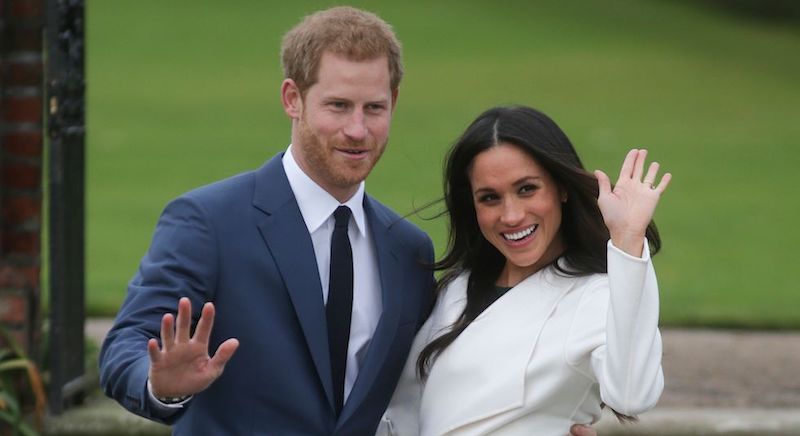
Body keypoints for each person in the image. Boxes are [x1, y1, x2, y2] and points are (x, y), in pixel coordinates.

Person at [99, 6, 599, 436]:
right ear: (292, 98)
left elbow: (441, 380)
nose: (357, 130)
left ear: (394, 104)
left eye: (374, 108)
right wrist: (157, 384)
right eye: (338, 106)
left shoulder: (409, 250)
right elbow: (125, 345)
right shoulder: (209, 221)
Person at [379, 106, 670, 435]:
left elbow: (632, 395)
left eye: (527, 189)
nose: (511, 215)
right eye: (489, 198)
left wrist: (628, 242)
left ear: (561, 187)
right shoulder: (457, 288)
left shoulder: (595, 295)